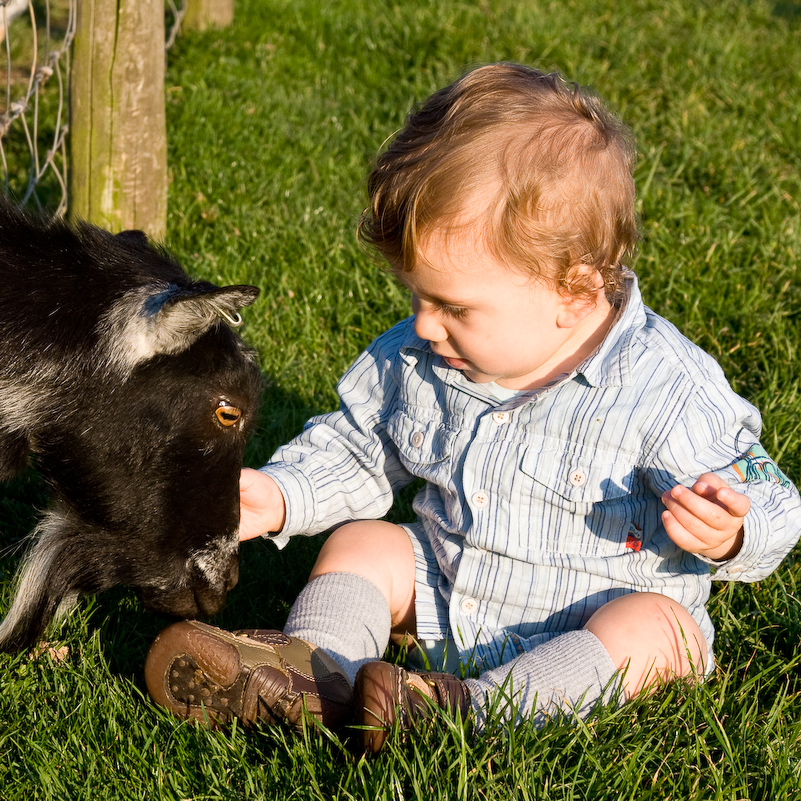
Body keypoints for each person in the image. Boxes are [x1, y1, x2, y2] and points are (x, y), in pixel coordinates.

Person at [145, 63, 801, 752]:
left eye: (453, 306)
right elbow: (360, 443)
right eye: (416, 298)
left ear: (573, 291)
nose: (424, 325)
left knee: (655, 629)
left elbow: (774, 500)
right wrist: (279, 492)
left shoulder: (665, 387)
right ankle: (315, 673)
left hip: (595, 622)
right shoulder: (421, 356)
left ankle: (472, 712)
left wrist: (729, 530)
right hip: (449, 585)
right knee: (363, 544)